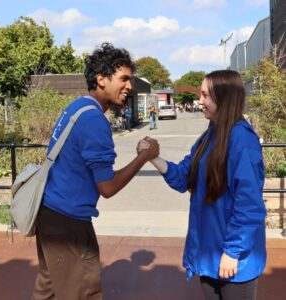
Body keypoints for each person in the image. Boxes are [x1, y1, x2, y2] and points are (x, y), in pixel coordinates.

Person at [33, 42, 159, 300]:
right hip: (69, 224)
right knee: (84, 292)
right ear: (101, 79)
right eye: (124, 78)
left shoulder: (76, 107)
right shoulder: (94, 120)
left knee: (48, 292)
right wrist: (143, 157)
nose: (130, 86)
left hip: (49, 216)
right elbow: (108, 187)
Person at [139, 70, 266, 300]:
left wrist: (232, 252)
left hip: (235, 261)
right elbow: (183, 176)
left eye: (206, 95)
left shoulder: (242, 140)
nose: (200, 101)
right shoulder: (209, 137)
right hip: (208, 254)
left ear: (224, 98)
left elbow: (249, 205)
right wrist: (152, 158)